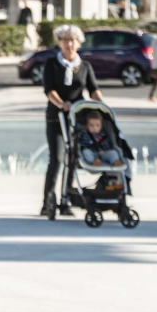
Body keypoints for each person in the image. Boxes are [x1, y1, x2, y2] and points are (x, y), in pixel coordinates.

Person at [41, 24, 102, 217]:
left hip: (77, 117)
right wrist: (62, 104)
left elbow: (93, 89)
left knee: (73, 159)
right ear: (59, 42)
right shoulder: (52, 63)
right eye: (66, 40)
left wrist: (101, 103)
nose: (70, 44)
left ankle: (66, 200)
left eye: (74, 40)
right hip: (56, 116)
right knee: (57, 159)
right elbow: (49, 90)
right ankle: (47, 201)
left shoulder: (84, 66)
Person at [76, 110, 131, 180]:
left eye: (97, 125)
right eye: (91, 125)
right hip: (92, 155)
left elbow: (107, 145)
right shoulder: (85, 134)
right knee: (86, 152)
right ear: (87, 125)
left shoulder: (103, 134)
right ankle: (94, 162)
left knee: (113, 153)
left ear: (101, 125)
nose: (94, 128)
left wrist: (103, 152)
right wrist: (82, 128)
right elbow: (85, 145)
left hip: (103, 154)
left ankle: (115, 161)